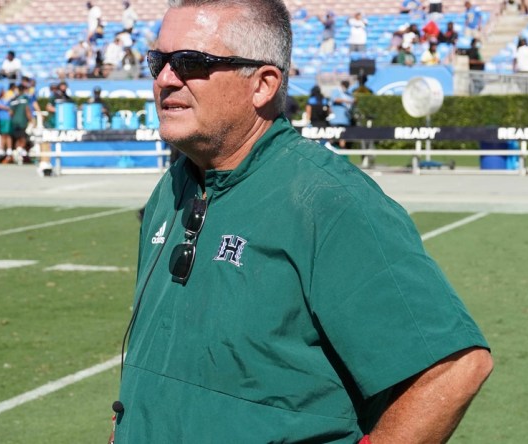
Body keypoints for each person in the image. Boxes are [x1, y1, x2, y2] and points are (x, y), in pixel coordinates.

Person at [112, 1, 493, 443]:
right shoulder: (173, 186)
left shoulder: (326, 199)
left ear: (263, 84)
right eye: (158, 61)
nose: (164, 79)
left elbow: (453, 368)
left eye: (191, 63)